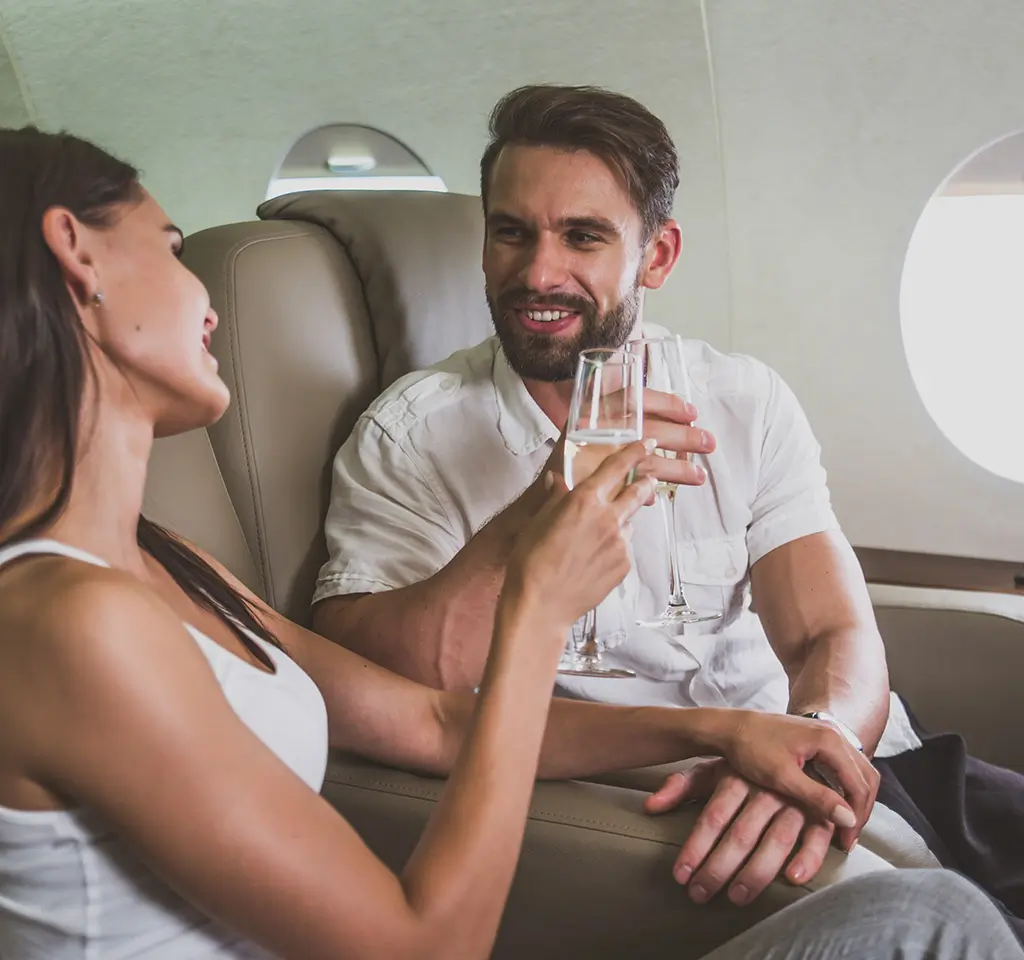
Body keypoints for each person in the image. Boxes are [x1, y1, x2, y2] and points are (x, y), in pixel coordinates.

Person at [0, 124, 972, 960]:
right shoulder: (70, 623)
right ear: (75, 255)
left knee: (935, 912)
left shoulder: (163, 560)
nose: (202, 297)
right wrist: (534, 605)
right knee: (933, 922)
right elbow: (427, 946)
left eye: (583, 235)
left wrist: (724, 730)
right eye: (170, 250)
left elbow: (435, 724)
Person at [310, 84, 1024, 935]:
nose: (539, 273)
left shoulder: (742, 399)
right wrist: (537, 514)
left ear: (657, 255)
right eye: (512, 232)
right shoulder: (410, 436)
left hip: (851, 755)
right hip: (665, 794)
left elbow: (833, 633)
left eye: (583, 236)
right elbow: (378, 683)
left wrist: (815, 742)